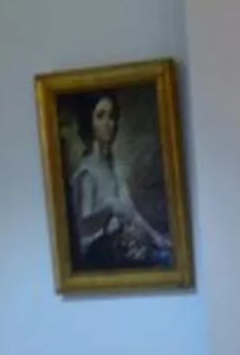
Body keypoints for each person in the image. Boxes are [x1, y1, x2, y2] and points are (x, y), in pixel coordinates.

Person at [70, 93, 171, 267]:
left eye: (112, 116)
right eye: (100, 116)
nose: (109, 123)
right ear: (89, 122)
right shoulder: (86, 173)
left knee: (164, 258)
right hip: (98, 257)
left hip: (121, 247)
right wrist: (109, 207)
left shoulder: (114, 166)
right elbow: (83, 228)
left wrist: (157, 238)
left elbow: (132, 212)